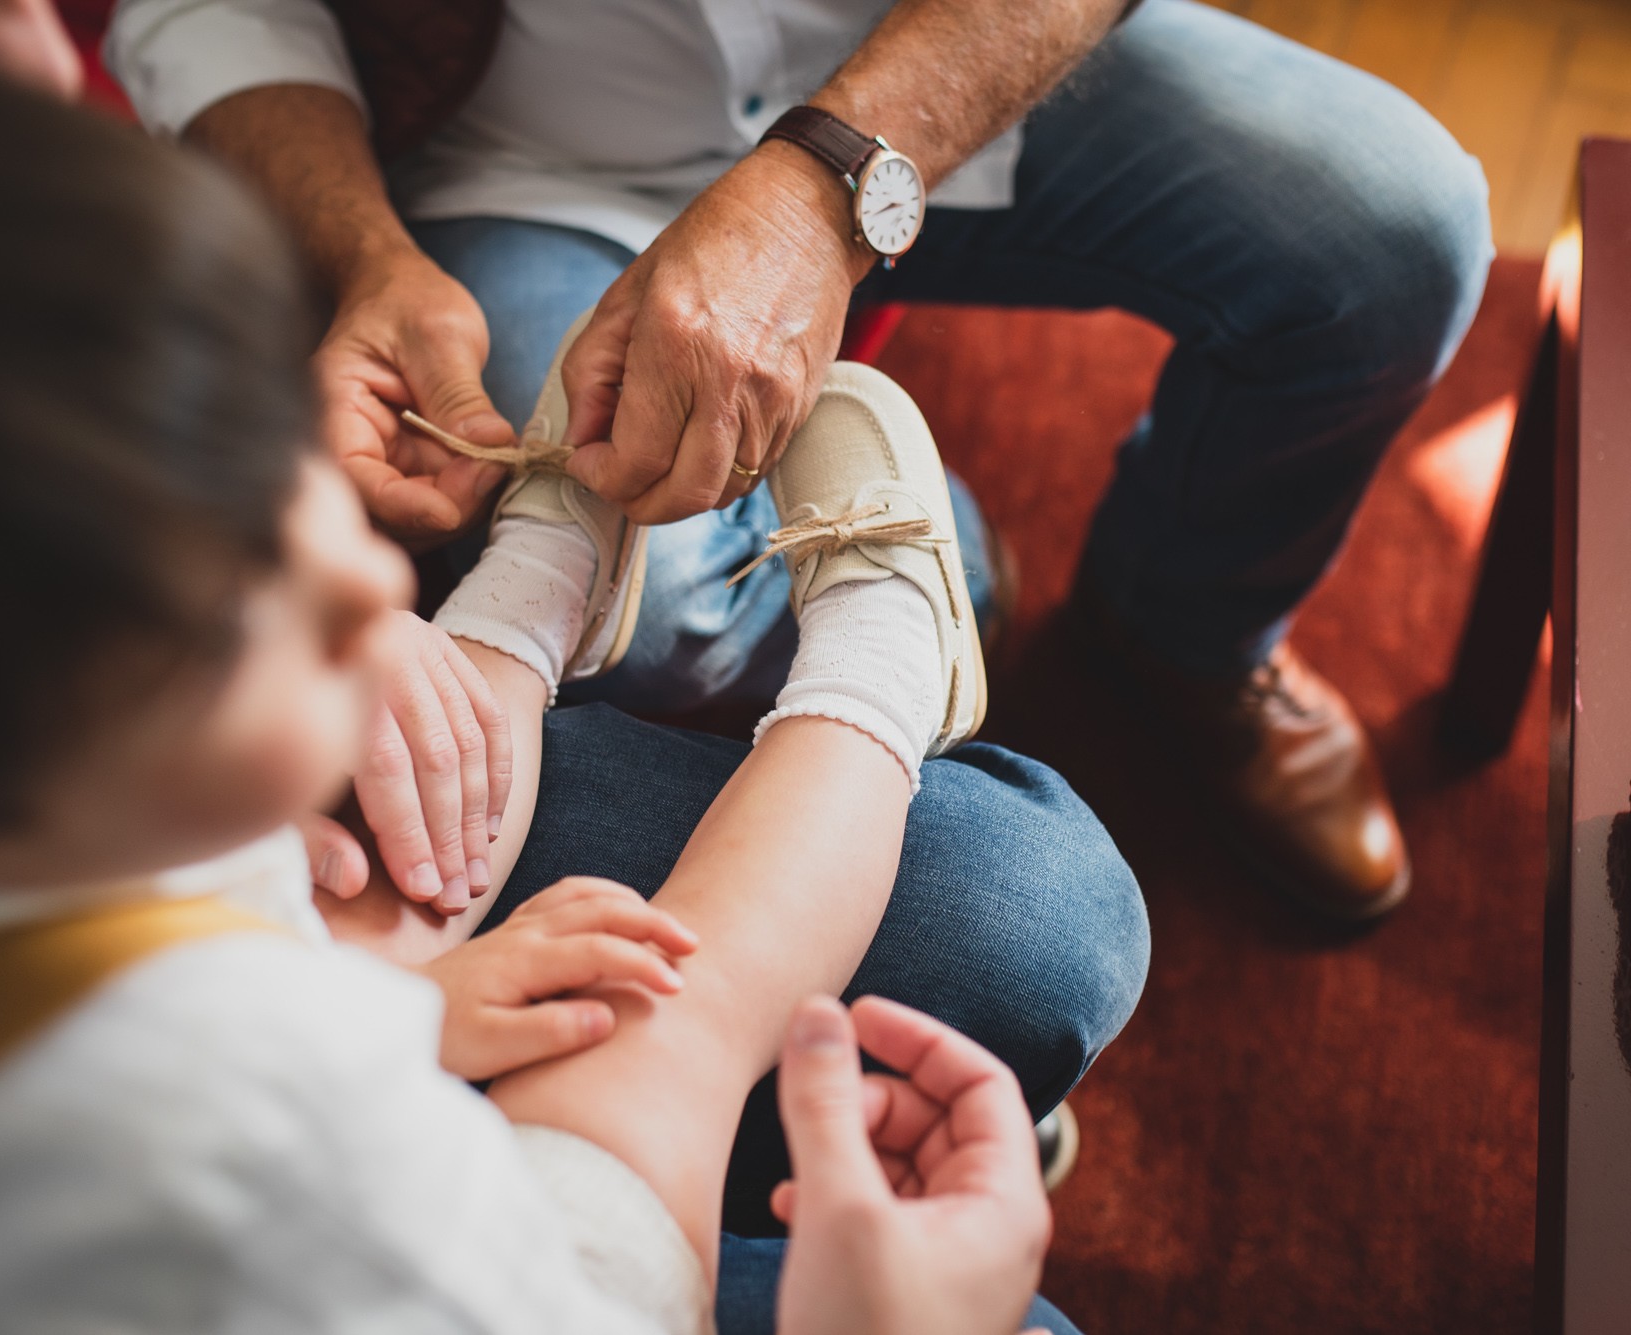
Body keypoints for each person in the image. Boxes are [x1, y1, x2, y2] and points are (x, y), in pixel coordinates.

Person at [0, 7, 1117, 1332]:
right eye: (223, 624)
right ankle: (880, 682)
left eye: (272, 491)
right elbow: (592, 1233)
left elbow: (188, 934)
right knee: (826, 1023)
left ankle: (538, 621)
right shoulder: (290, 1179)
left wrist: (410, 1009)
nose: (362, 578)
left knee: (989, 921)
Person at [106, 0, 1497, 922]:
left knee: (1401, 230)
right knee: (648, 609)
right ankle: (930, 545)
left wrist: (824, 183)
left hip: (939, 64)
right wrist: (355, 252)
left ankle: (1183, 636)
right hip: (520, 160)